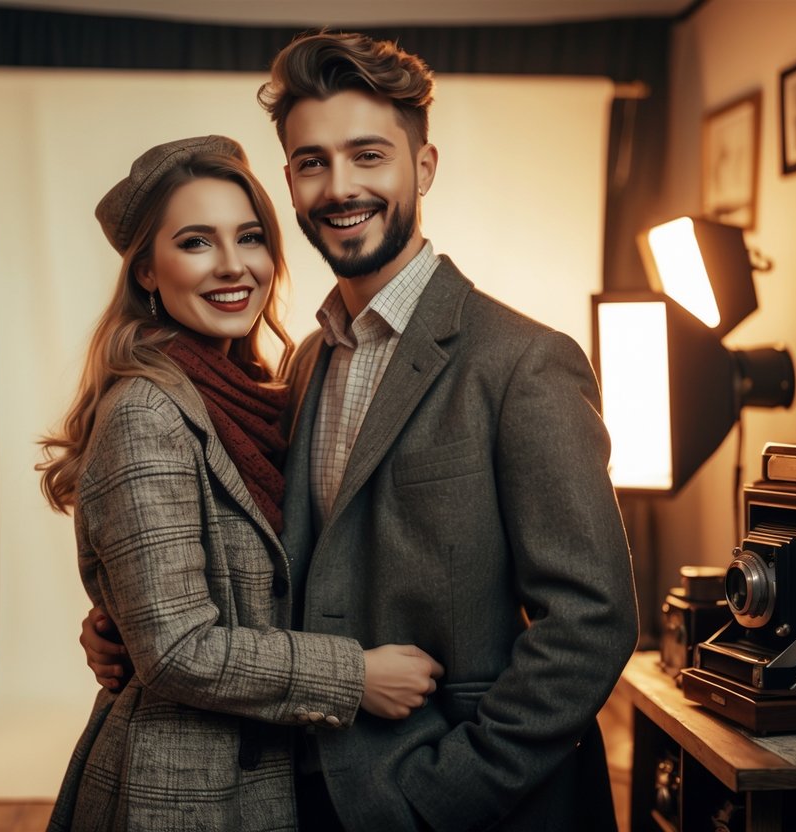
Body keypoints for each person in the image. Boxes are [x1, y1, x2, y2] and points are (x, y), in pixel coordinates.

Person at [82, 31, 640, 832]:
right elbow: (279, 567)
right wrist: (128, 625)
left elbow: (589, 622)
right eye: (313, 162)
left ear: (423, 167)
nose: (340, 187)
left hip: (468, 802)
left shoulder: (522, 362)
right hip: (305, 788)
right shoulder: (304, 363)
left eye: (368, 156)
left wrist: (449, 792)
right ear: (289, 184)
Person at [39, 135, 444, 832]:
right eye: (196, 242)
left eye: (249, 237)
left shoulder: (257, 393)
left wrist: (121, 622)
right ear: (146, 271)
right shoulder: (146, 412)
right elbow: (177, 650)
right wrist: (356, 677)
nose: (232, 266)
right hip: (182, 787)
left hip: (272, 765)